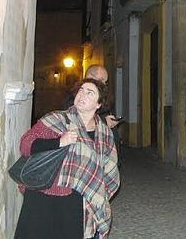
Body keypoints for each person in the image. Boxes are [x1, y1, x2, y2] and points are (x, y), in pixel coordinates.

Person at [15, 78, 120, 239]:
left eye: (89, 93)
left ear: (99, 104)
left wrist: (98, 193)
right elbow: (25, 144)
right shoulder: (57, 119)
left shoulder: (105, 133)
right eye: (81, 90)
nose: (82, 95)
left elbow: (109, 168)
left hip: (79, 202)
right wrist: (59, 141)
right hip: (45, 196)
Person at [67, 64, 124, 157]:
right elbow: (78, 119)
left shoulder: (100, 94)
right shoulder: (75, 97)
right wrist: (104, 122)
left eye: (105, 82)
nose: (104, 84)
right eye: (102, 80)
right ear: (90, 77)